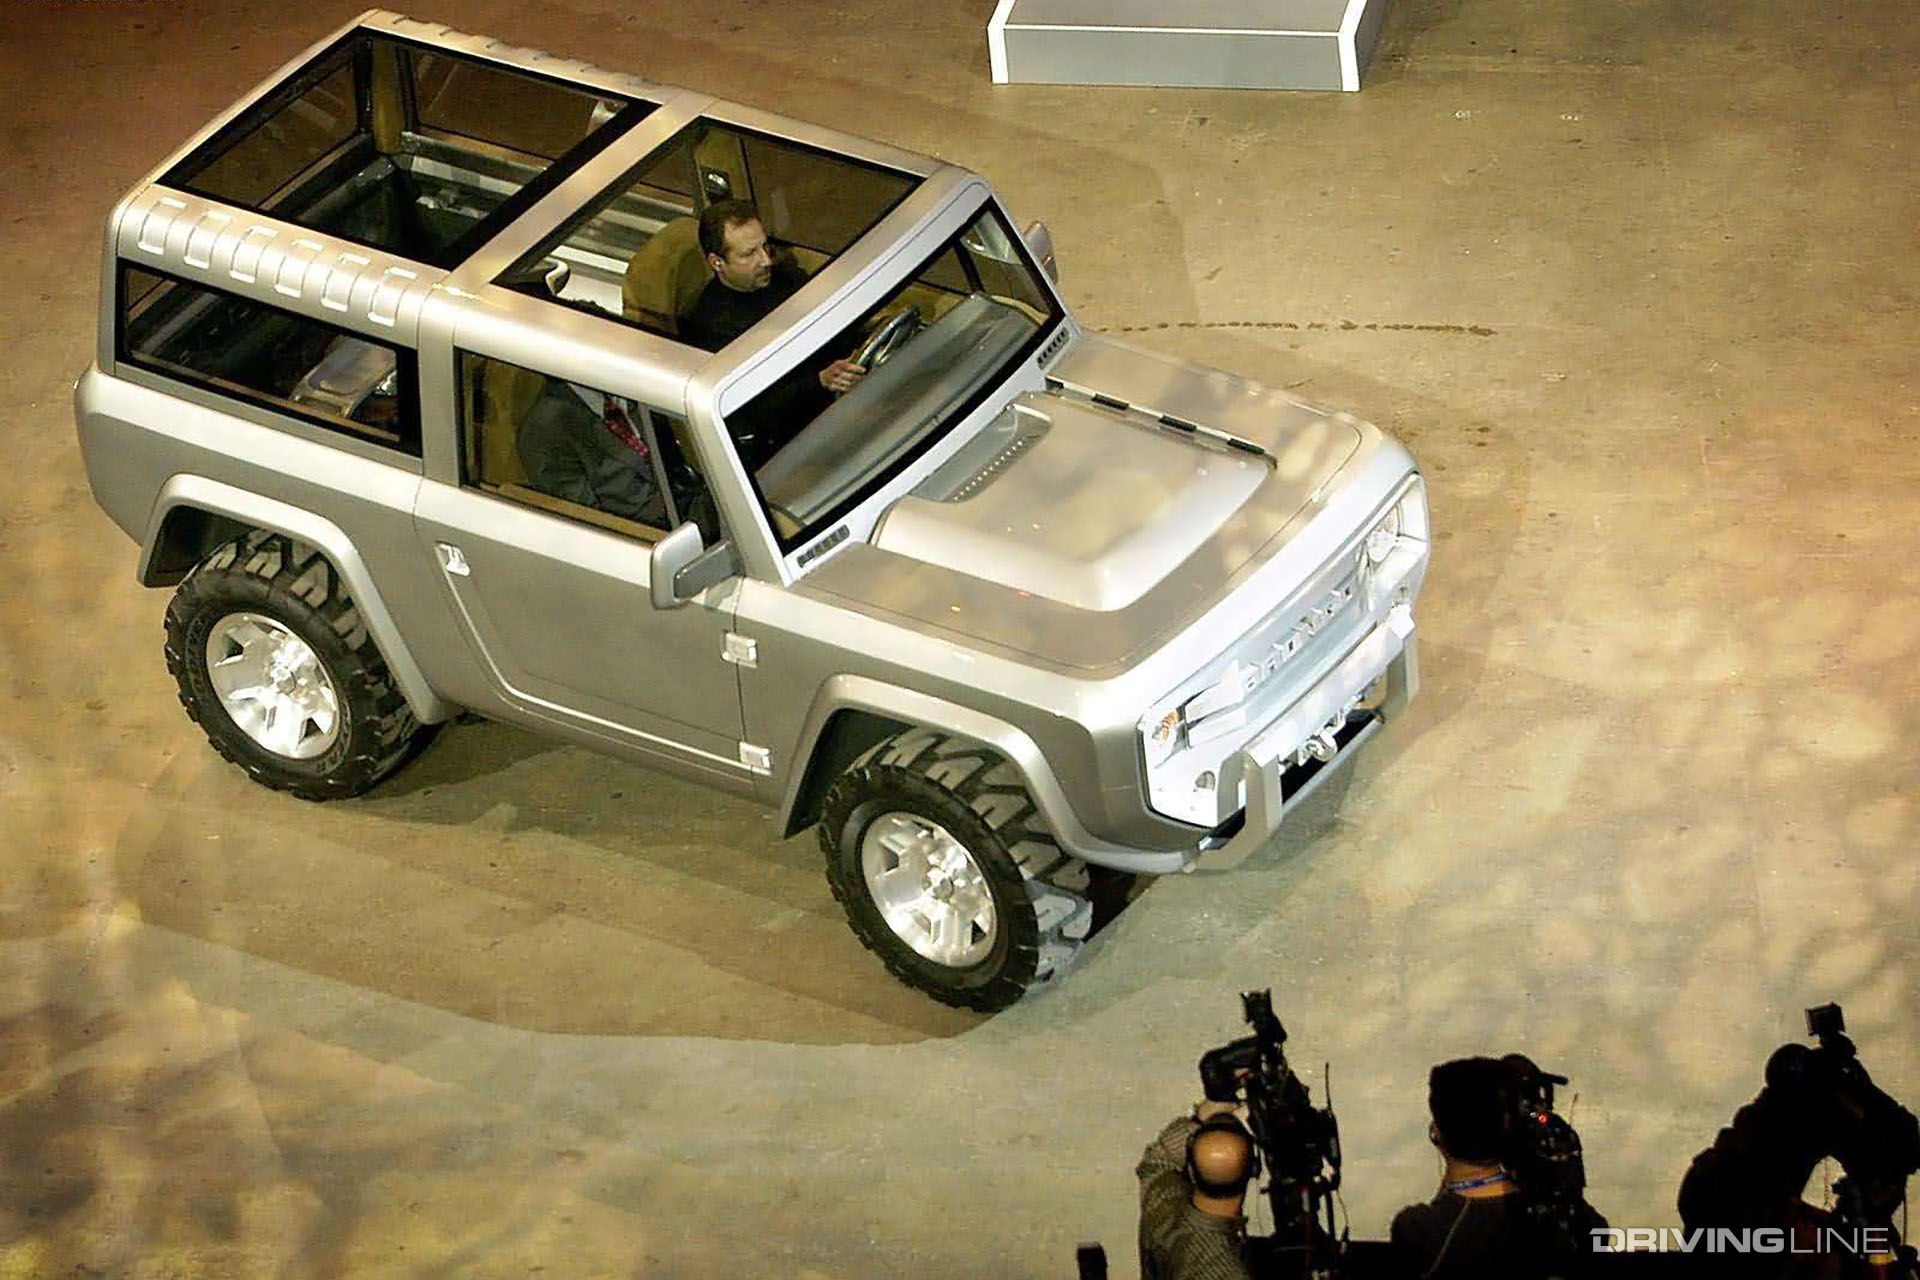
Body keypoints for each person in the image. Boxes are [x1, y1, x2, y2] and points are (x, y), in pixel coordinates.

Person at [1390, 1057, 1604, 1279]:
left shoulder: (1417, 1228)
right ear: (1509, 1125)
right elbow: (1596, 1232)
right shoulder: (1569, 1221)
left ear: (1437, 1132)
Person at [681, 200, 868, 396]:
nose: (766, 260)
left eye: (764, 246)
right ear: (717, 262)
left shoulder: (786, 277)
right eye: (749, 253)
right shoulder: (713, 327)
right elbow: (755, 400)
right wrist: (820, 380)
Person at [516, 378, 666, 526]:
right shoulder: (545, 427)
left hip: (679, 500)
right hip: (643, 531)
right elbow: (588, 521)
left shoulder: (630, 383)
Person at [1136, 1098, 1257, 1280]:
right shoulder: (1226, 1272)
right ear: (1254, 1171)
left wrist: (1202, 1116)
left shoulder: (1163, 1210)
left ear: (1191, 1172)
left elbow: (1158, 1162)